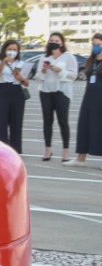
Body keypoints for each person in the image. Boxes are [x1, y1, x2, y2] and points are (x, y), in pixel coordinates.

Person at [35, 32, 77, 162]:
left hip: (62, 92)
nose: (54, 42)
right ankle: (48, 150)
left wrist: (60, 70)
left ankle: (66, 152)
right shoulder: (43, 57)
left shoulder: (68, 57)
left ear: (62, 43)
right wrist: (43, 71)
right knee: (47, 122)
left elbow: (73, 75)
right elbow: (37, 77)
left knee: (63, 122)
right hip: (46, 91)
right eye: (51, 40)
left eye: (57, 40)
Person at [64, 33, 102, 168]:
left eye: (98, 45)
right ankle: (81, 158)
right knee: (84, 125)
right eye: (94, 44)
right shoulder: (90, 61)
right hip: (89, 97)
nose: (95, 47)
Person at [0, 39, 29, 152]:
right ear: (5, 50)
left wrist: (21, 79)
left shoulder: (21, 63)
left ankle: (15, 150)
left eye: (15, 50)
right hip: (3, 90)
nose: (12, 52)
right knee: (0, 121)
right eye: (10, 49)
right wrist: (4, 61)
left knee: (16, 122)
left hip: (17, 91)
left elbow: (27, 83)